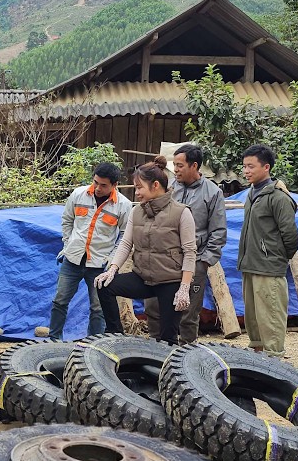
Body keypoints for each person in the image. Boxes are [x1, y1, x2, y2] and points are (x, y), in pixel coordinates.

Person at [94, 156, 196, 345]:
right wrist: (112, 269)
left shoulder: (182, 212)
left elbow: (190, 252)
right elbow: (126, 243)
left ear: (155, 185)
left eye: (139, 187)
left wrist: (184, 287)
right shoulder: (137, 211)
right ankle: (115, 336)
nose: (137, 193)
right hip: (143, 277)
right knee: (104, 286)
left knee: (168, 339)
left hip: (170, 281)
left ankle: (168, 366)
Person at [142, 143, 227, 344]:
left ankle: (186, 355)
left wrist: (204, 262)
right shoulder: (170, 190)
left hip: (194, 260)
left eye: (180, 165)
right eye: (175, 165)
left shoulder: (213, 193)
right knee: (154, 306)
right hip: (165, 260)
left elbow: (218, 231)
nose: (176, 170)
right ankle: (155, 349)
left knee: (188, 313)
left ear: (194, 166)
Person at [46, 161, 133, 340]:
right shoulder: (78, 194)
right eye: (95, 182)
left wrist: (112, 259)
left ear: (114, 185)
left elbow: (125, 236)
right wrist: (67, 244)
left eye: (103, 185)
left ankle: (91, 344)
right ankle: (54, 340)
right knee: (60, 300)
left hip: (100, 264)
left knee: (98, 307)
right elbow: (67, 220)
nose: (97, 188)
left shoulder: (124, 205)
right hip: (73, 259)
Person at [237, 144, 298, 358]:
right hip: (250, 264)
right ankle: (256, 359)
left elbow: (290, 236)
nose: (246, 171)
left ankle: (275, 362)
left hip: (269, 268)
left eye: (251, 166)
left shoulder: (278, 197)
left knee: (271, 317)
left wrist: (275, 258)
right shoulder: (251, 194)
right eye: (244, 166)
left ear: (266, 167)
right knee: (253, 318)